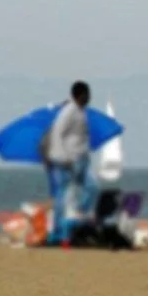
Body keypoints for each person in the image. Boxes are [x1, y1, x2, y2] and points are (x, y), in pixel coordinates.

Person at [45, 81, 99, 243]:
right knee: (64, 193)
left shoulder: (81, 112)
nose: (89, 98)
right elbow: (57, 133)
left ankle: (79, 214)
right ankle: (59, 230)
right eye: (86, 94)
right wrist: (63, 157)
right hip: (69, 161)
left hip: (82, 159)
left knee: (92, 187)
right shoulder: (68, 111)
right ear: (79, 95)